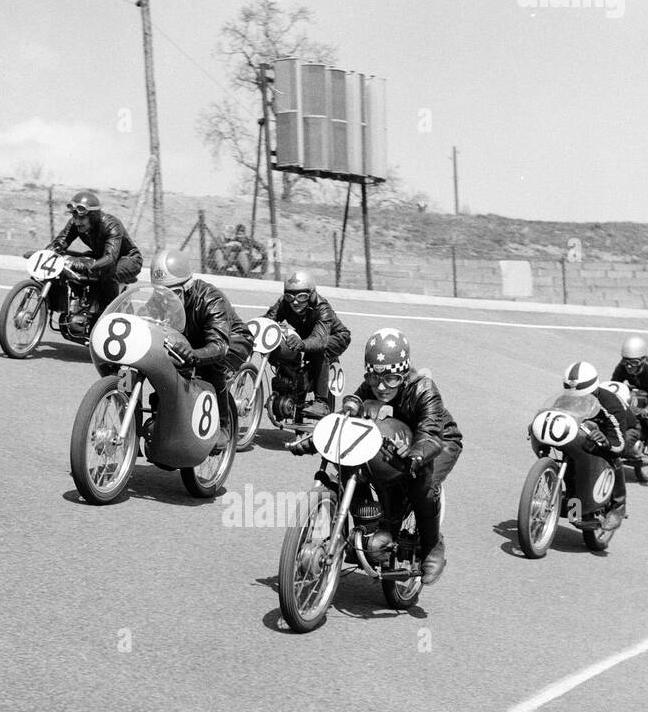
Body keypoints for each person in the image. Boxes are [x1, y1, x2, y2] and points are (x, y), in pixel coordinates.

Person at [290, 329, 461, 585]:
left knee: (421, 486)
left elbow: (431, 433)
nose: (381, 387)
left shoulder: (424, 389)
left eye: (391, 378)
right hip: (390, 439)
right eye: (374, 377)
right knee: (350, 464)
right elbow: (346, 423)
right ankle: (371, 528)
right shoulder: (369, 388)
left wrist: (415, 455)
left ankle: (432, 544)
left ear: (403, 373)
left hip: (438, 441)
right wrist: (314, 441)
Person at [148, 249, 252, 445]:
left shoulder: (210, 299)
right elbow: (147, 321)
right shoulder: (159, 301)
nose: (165, 300)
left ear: (187, 287)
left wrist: (194, 354)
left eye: (173, 293)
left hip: (232, 339)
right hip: (191, 342)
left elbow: (219, 346)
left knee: (211, 365)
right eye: (160, 292)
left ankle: (223, 425)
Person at [50, 189, 143, 327]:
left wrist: (88, 266)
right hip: (100, 256)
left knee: (108, 272)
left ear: (93, 216)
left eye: (81, 218)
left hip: (128, 259)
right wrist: (47, 252)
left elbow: (110, 258)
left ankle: (106, 316)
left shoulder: (111, 225)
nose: (77, 222)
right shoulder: (75, 223)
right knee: (68, 262)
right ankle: (81, 305)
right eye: (74, 217)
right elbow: (61, 242)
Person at [263, 269, 352, 411]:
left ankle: (321, 402)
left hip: (335, 337)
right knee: (282, 348)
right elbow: (267, 320)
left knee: (319, 351)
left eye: (302, 296)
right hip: (307, 336)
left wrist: (302, 343)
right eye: (289, 297)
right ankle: (287, 387)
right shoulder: (284, 303)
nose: (295, 302)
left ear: (311, 294)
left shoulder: (322, 308)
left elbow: (319, 340)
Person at [557, 361, 628, 529]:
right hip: (587, 434)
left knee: (613, 458)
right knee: (572, 457)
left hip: (622, 433)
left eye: (581, 395)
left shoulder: (610, 403)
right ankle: (578, 507)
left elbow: (620, 445)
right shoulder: (568, 397)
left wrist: (606, 442)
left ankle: (618, 506)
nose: (577, 399)